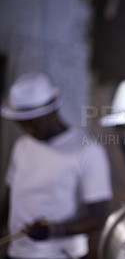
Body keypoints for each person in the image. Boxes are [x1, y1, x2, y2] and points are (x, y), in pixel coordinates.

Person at [0, 72, 113, 259]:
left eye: (34, 124)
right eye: (22, 125)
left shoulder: (87, 151)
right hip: (17, 254)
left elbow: (99, 217)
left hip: (62, 255)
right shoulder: (22, 146)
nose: (29, 130)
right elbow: (11, 197)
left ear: (52, 112)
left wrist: (53, 230)